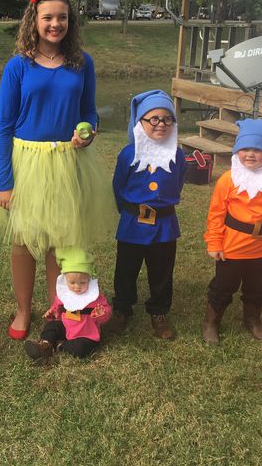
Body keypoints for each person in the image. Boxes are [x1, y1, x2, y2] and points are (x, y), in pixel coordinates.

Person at [0, 0, 116, 340]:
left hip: (67, 159)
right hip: (25, 160)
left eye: (62, 17)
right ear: (34, 21)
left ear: (70, 21)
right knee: (23, 240)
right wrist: (5, 180)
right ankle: (22, 309)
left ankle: (56, 307)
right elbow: (3, 125)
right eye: (48, 17)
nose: (55, 24)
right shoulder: (19, 66)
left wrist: (89, 130)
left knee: (57, 239)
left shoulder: (82, 63)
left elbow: (89, 110)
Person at [202, 119, 262, 345]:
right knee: (224, 287)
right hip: (232, 248)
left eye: (258, 149)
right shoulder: (228, 180)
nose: (251, 154)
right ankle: (211, 321)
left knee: (258, 288)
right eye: (245, 148)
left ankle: (252, 319)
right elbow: (216, 214)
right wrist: (214, 242)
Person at [108, 90, 187, 339]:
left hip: (164, 225)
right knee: (126, 269)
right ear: (139, 122)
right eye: (153, 119)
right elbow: (119, 186)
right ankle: (122, 308)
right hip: (133, 223)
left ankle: (159, 311)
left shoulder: (178, 155)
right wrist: (130, 212)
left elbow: (179, 182)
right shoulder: (128, 154)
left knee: (162, 270)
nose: (160, 124)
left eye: (167, 119)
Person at [24, 248, 111, 365]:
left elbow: (107, 312)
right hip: (66, 327)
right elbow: (57, 307)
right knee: (51, 326)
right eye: (72, 282)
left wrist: (102, 314)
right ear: (66, 279)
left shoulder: (94, 297)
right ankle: (44, 344)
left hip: (86, 335)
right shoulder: (64, 294)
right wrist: (53, 312)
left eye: (83, 283)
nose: (77, 287)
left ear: (89, 279)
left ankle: (60, 346)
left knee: (81, 348)